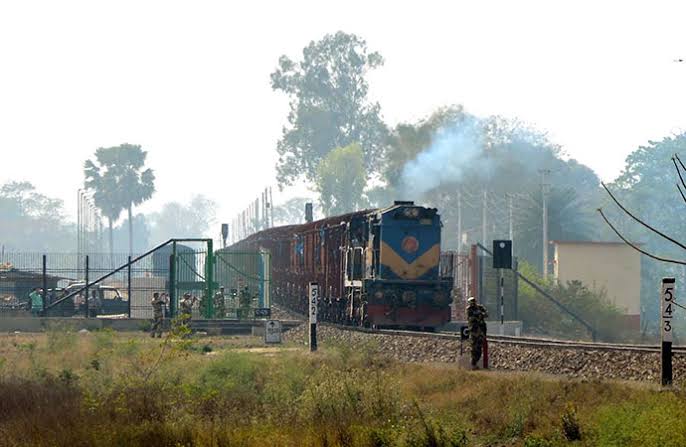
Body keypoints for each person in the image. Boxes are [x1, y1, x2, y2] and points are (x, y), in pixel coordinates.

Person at [466, 296, 488, 370]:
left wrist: (481, 314)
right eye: (471, 302)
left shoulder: (480, 307)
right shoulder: (469, 309)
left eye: (474, 301)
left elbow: (486, 314)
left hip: (481, 330)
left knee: (479, 347)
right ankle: (473, 363)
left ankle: (476, 363)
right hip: (474, 331)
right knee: (474, 348)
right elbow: (471, 318)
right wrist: (479, 315)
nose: (473, 303)